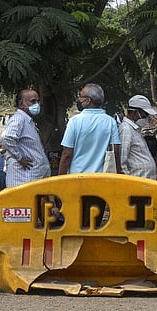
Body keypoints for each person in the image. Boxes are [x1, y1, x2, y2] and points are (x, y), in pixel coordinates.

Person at [58, 83, 121, 228]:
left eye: (80, 97)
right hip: (100, 181)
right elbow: (116, 151)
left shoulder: (75, 121)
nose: (79, 100)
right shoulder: (110, 122)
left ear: (88, 100)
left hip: (76, 181)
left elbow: (67, 154)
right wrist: (119, 175)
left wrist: (59, 179)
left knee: (76, 222)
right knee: (95, 223)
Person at [1, 89, 51, 187]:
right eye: (32, 101)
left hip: (31, 177)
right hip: (22, 178)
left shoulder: (27, 121)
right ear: (21, 103)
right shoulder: (18, 119)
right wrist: (19, 158)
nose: (36, 104)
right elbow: (7, 138)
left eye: (37, 101)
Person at [119, 95, 157, 179]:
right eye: (145, 115)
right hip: (137, 182)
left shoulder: (135, 130)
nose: (146, 118)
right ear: (135, 112)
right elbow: (122, 161)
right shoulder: (126, 129)